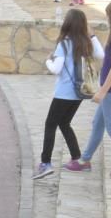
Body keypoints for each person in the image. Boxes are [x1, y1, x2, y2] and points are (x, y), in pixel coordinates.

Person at [33, 9, 103, 177]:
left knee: (50, 125)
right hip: (78, 93)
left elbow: (56, 69)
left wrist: (48, 61)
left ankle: (46, 162)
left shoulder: (64, 44)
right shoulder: (86, 43)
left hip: (63, 93)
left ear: (67, 23)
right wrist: (92, 35)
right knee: (64, 123)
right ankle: (77, 157)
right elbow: (101, 54)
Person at [77, 0, 111, 175]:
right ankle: (85, 159)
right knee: (98, 123)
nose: (106, 18)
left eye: (108, 15)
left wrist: (102, 91)